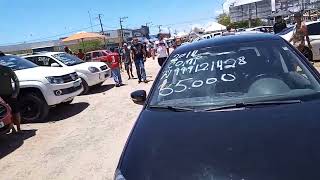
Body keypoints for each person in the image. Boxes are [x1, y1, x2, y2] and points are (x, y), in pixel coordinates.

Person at [0, 51, 21, 133]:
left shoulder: (7, 69)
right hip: (0, 98)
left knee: (16, 111)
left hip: (10, 95)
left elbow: (16, 81)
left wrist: (15, 93)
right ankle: (11, 128)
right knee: (5, 114)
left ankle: (19, 128)